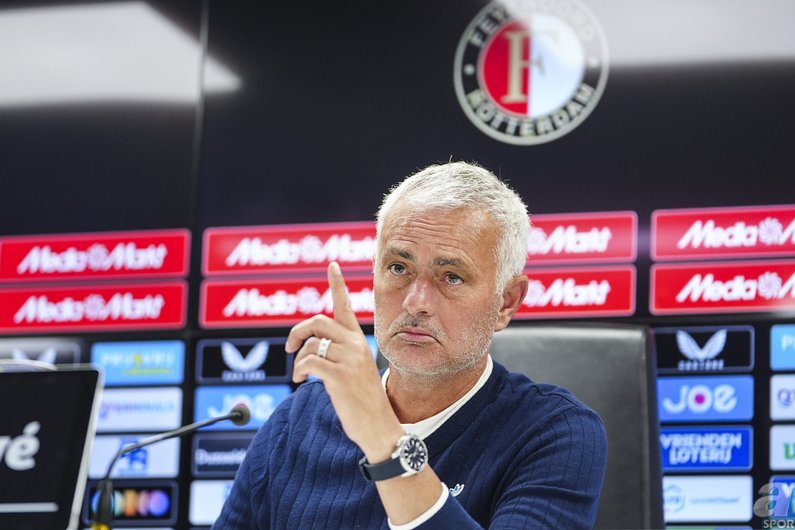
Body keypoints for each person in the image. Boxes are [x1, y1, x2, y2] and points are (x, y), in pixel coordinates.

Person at [213, 161, 607, 529]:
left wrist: (380, 435)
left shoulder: (556, 433)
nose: (415, 302)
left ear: (506, 302)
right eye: (399, 268)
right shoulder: (297, 420)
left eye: (451, 276)